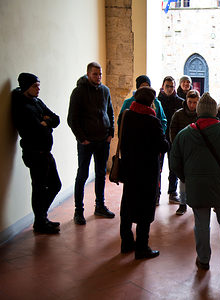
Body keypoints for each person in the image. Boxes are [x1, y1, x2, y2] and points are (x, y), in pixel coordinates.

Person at [170, 92, 220, 270]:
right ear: (215, 112)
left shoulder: (183, 135)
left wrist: (188, 178)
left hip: (196, 188)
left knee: (201, 224)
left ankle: (203, 259)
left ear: (198, 111)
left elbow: (175, 163)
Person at [118, 87, 169, 259]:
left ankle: (126, 243)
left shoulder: (127, 115)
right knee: (145, 209)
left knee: (127, 205)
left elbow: (122, 139)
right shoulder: (152, 121)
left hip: (129, 169)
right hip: (147, 171)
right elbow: (163, 146)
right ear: (150, 102)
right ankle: (141, 247)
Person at [11, 73, 62, 234]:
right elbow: (35, 129)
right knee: (39, 188)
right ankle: (40, 222)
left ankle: (40, 217)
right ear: (26, 87)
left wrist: (46, 121)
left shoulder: (37, 101)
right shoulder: (21, 107)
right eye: (35, 86)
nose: (38, 88)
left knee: (55, 185)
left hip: (46, 152)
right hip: (34, 153)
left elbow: (56, 118)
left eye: (39, 85)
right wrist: (45, 122)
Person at [68, 62, 115, 225]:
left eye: (100, 74)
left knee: (101, 174)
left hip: (103, 140)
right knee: (82, 175)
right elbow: (72, 119)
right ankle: (78, 211)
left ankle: (100, 206)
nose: (98, 77)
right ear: (88, 74)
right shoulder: (79, 92)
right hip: (87, 142)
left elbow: (110, 112)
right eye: (95, 74)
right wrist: (82, 139)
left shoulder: (105, 90)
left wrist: (111, 132)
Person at [169, 89, 199, 215]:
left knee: (198, 179)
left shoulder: (200, 115)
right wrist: (177, 147)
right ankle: (182, 204)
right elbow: (173, 131)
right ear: (186, 101)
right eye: (190, 102)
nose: (192, 105)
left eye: (195, 102)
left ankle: (197, 203)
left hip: (197, 152)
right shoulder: (178, 114)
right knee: (183, 179)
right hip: (182, 151)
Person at [158, 76, 184, 203]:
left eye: (172, 86)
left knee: (173, 166)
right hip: (159, 139)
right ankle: (156, 193)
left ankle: (172, 192)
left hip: (174, 139)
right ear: (163, 86)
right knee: (157, 167)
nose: (169, 88)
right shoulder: (157, 101)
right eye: (167, 86)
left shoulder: (180, 102)